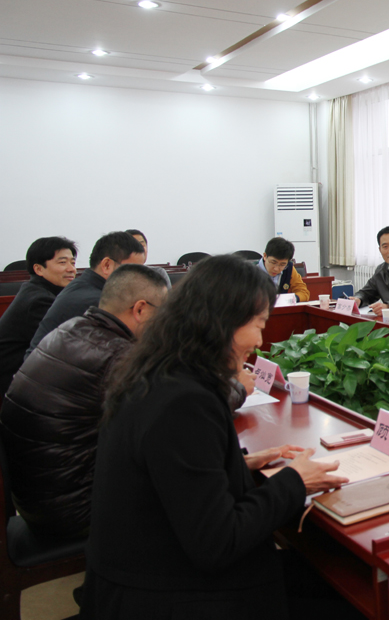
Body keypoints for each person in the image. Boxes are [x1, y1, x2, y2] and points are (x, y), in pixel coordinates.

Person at [80, 254, 353, 619]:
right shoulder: (184, 401)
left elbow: (172, 471)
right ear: (222, 322)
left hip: (144, 570)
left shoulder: (158, 370)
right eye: (259, 324)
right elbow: (217, 542)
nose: (260, 340)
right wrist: (294, 481)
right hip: (167, 594)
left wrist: (238, 463)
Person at [0, 264, 169, 538]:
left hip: (35, 495)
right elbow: (178, 407)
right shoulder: (118, 355)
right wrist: (232, 385)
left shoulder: (69, 328)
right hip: (74, 510)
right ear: (140, 309)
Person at [27, 231, 145, 355]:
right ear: (107, 265)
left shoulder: (84, 284)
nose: (139, 278)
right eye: (134, 270)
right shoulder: (97, 302)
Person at [0, 236, 78, 396]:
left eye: (73, 262)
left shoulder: (38, 290)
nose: (71, 269)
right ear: (39, 269)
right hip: (15, 381)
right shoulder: (39, 301)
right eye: (62, 262)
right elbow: (63, 345)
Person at [258, 237, 309, 302]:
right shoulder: (249, 271)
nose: (276, 269)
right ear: (265, 256)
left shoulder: (289, 268)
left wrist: (291, 299)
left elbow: (303, 293)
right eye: (273, 262)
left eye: (282, 264)